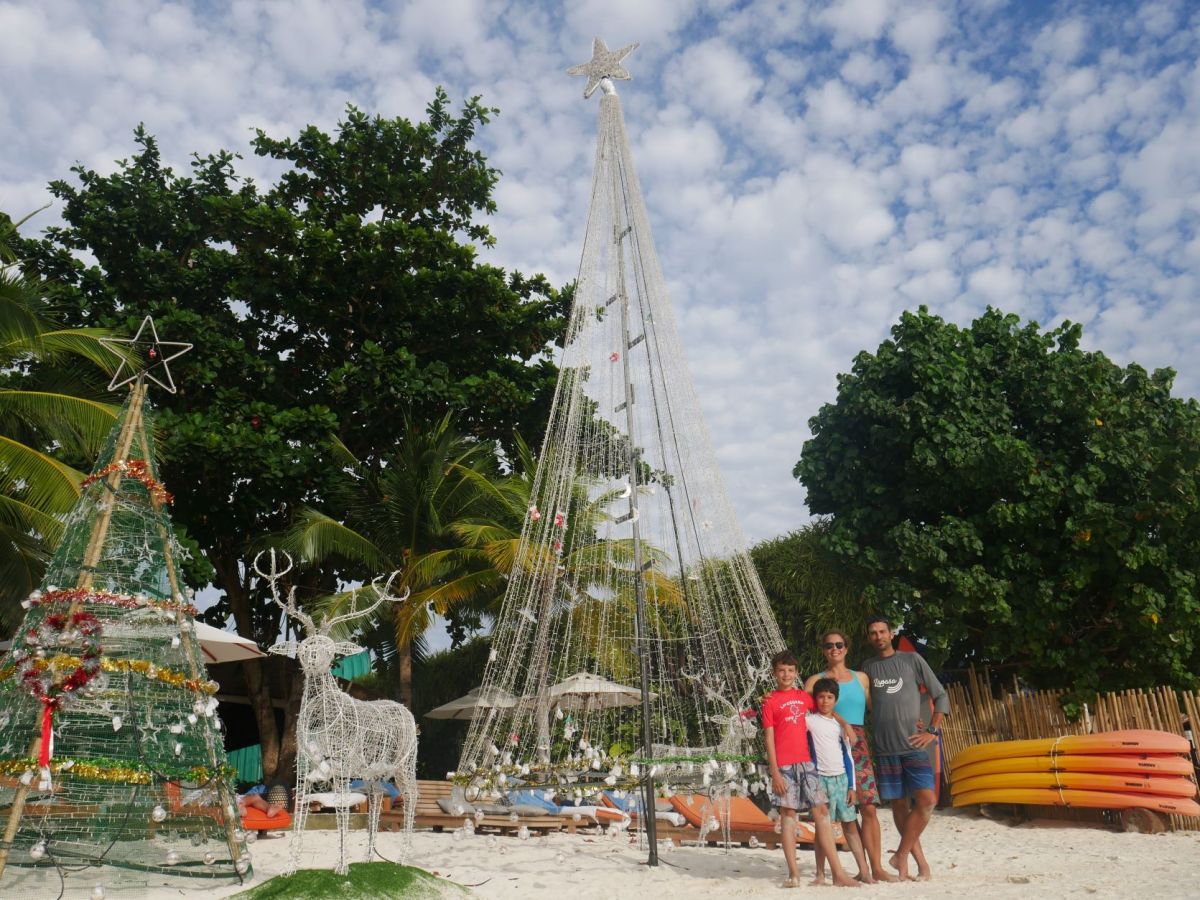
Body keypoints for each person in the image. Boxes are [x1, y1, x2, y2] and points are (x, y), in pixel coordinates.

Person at [862, 616, 950, 881]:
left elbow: (940, 695)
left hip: (913, 745)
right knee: (899, 806)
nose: (878, 636)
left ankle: (900, 854)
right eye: (873, 633)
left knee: (927, 801)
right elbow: (868, 704)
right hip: (885, 749)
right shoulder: (867, 668)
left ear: (891, 633)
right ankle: (917, 865)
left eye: (882, 631)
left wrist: (931, 730)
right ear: (869, 637)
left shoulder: (912, 660)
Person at [762, 649, 858, 889]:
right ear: (774, 673)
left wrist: (845, 723)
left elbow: (826, 709)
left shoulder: (803, 697)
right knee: (788, 816)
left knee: (822, 813)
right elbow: (769, 738)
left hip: (807, 763)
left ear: (796, 673)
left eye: (790, 670)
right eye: (781, 670)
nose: (786, 674)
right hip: (784, 766)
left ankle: (838, 873)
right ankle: (793, 874)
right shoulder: (770, 701)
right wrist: (775, 772)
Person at [804, 631, 894, 883]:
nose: (834, 648)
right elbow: (805, 710)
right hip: (830, 744)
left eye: (839, 644)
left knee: (869, 807)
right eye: (829, 645)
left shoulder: (861, 678)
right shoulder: (815, 681)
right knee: (830, 816)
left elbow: (878, 709)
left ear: (846, 648)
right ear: (823, 649)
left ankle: (875, 868)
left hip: (859, 743)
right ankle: (828, 872)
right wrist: (842, 722)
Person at [805, 678, 873, 885]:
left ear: (835, 700)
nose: (825, 701)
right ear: (815, 698)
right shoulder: (809, 721)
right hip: (819, 779)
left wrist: (852, 786)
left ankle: (864, 871)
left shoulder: (839, 725)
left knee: (850, 826)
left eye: (830, 697)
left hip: (841, 780)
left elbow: (849, 755)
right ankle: (820, 874)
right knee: (821, 829)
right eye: (821, 697)